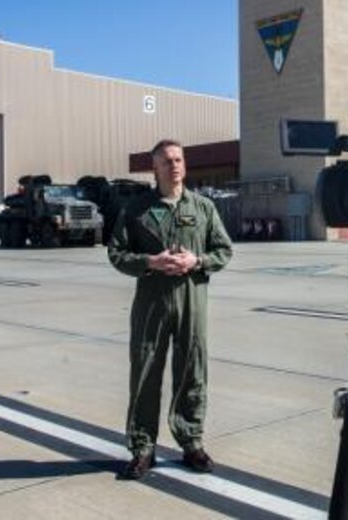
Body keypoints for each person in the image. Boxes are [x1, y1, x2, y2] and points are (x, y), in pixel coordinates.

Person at [108, 139, 233, 480]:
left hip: (192, 301)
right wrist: (151, 261)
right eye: (166, 161)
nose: (174, 166)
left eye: (178, 159)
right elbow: (116, 254)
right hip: (152, 302)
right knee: (146, 371)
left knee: (193, 370)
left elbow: (223, 250)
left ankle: (191, 442)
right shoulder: (137, 209)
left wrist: (197, 260)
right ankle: (142, 447)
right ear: (156, 168)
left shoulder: (204, 207)